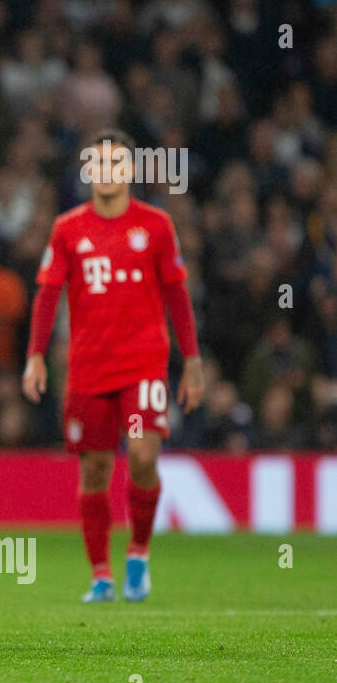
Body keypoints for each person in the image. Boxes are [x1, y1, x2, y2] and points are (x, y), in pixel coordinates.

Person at [23, 129, 204, 602]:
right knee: (96, 470)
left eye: (116, 164)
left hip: (144, 363)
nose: (107, 172)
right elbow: (48, 293)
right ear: (88, 172)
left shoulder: (157, 225)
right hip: (87, 367)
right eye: (98, 164)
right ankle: (101, 575)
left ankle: (139, 552)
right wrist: (36, 356)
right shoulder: (68, 228)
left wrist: (192, 361)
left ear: (130, 171)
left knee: (143, 457)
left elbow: (177, 294)